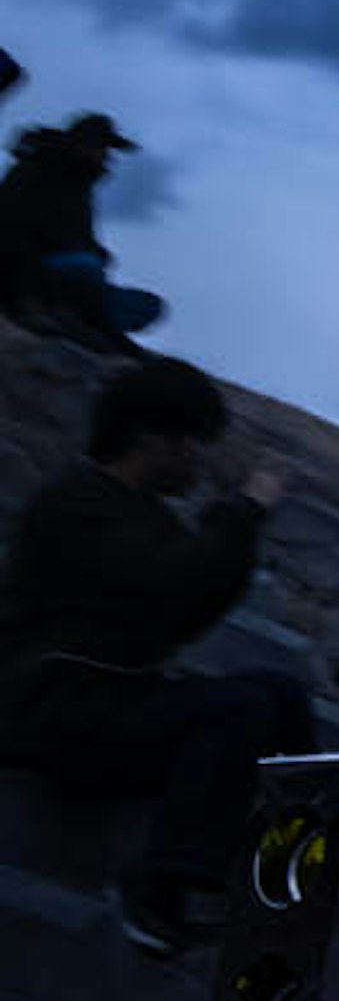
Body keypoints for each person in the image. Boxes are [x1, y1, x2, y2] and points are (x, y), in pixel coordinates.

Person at [0, 358, 307, 952]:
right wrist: (239, 515)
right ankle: (165, 889)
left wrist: (237, 530)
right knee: (235, 709)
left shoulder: (142, 514)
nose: (201, 460)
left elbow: (184, 613)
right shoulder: (75, 505)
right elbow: (164, 585)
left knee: (279, 692)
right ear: (148, 437)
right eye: (194, 443)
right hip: (52, 717)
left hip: (108, 707)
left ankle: (290, 865)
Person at [0, 111, 168, 346]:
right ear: (83, 144)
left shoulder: (81, 192)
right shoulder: (33, 172)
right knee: (84, 267)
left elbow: (80, 239)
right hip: (25, 273)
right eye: (103, 149)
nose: (107, 157)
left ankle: (87, 319)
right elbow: (10, 229)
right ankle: (56, 313)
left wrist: (97, 252)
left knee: (148, 305)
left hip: (70, 280)